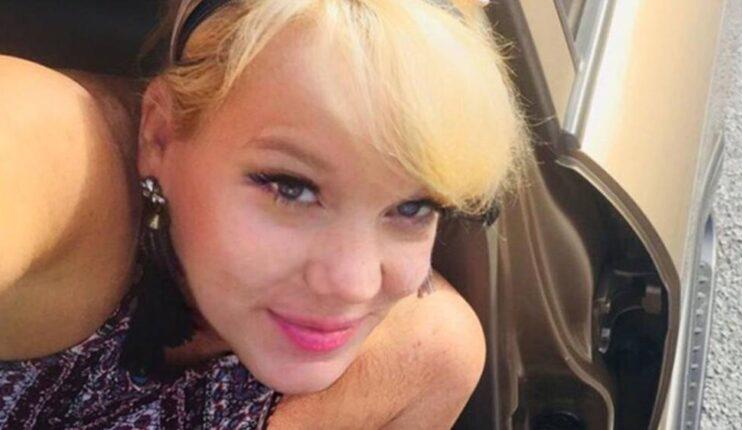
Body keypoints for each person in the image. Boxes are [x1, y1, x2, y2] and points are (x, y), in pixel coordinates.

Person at [0, 0, 529, 428]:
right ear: (159, 134)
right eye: (291, 188)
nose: (353, 284)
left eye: (413, 207)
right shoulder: (53, 147)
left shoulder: (427, 359)